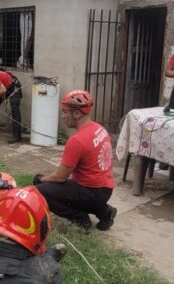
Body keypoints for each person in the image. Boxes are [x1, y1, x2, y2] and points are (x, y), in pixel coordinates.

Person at [33, 89, 116, 232]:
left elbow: (60, 177)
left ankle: (80, 218)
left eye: (65, 112)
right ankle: (105, 212)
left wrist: (42, 179)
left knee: (40, 189)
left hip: (91, 191)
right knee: (67, 187)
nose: (63, 116)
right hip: (105, 189)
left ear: (77, 113)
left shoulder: (76, 141)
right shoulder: (99, 128)